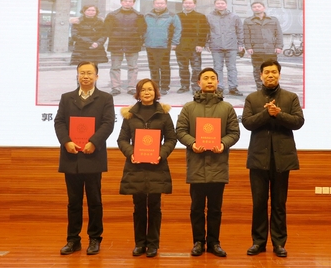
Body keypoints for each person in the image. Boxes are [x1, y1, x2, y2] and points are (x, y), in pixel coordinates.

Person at [241, 60, 304, 258]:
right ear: (260, 75)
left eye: (274, 72)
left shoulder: (290, 97)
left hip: (282, 159)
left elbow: (298, 122)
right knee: (259, 203)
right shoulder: (252, 98)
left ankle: (279, 243)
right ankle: (258, 242)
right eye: (267, 72)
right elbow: (247, 123)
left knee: (279, 203)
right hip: (258, 159)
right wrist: (266, 113)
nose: (270, 75)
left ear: (279, 74)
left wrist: (279, 114)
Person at [176, 68, 240, 257]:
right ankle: (198, 242)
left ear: (218, 82)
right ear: (199, 83)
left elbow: (234, 133)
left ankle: (214, 242)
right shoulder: (189, 108)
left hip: (218, 164)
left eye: (213, 78)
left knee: (215, 209)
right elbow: (180, 130)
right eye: (206, 78)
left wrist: (223, 143)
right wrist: (192, 143)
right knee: (196, 208)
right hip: (196, 164)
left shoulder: (227, 108)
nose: (209, 81)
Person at [54, 61, 116, 255]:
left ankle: (95, 239)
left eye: (89, 73)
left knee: (94, 201)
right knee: (74, 202)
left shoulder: (105, 98)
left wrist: (94, 142)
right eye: (82, 73)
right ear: (77, 75)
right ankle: (73, 240)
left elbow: (108, 123)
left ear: (97, 76)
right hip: (71, 156)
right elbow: (59, 122)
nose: (85, 76)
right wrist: (66, 142)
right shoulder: (67, 98)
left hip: (93, 156)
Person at [117, 79, 177, 258]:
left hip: (156, 166)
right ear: (138, 93)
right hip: (135, 166)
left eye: (150, 89)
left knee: (155, 206)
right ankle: (139, 243)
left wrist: (161, 154)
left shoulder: (163, 114)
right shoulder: (130, 115)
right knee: (139, 206)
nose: (147, 92)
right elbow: (122, 139)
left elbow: (171, 139)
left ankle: (153, 244)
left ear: (155, 92)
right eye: (143, 90)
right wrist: (131, 153)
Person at [104, 0, 147, 96]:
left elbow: (143, 30)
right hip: (116, 44)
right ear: (121, 2)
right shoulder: (112, 15)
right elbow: (106, 29)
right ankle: (115, 87)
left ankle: (131, 87)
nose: (128, 3)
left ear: (133, 3)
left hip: (133, 44)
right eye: (126, 1)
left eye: (130, 1)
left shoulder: (139, 15)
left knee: (133, 67)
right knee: (115, 67)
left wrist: (140, 42)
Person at [206, 0, 245, 97]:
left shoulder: (234, 17)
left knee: (232, 67)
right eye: (218, 3)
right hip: (215, 45)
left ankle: (233, 87)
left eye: (222, 3)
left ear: (226, 5)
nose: (220, 5)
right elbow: (206, 31)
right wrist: (206, 43)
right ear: (215, 5)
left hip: (231, 45)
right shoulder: (209, 17)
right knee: (217, 67)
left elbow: (240, 31)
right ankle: (219, 87)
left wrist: (240, 44)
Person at [144, 0, 182, 95]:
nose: (159, 5)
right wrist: (144, 40)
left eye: (162, 3)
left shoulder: (172, 16)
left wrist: (174, 42)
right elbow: (142, 29)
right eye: (157, 3)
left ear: (166, 4)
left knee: (164, 66)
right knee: (153, 67)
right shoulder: (147, 16)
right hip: (150, 45)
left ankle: (165, 87)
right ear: (153, 4)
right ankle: (155, 86)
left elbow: (178, 29)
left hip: (165, 45)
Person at [243, 1, 284, 90]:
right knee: (258, 71)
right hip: (256, 51)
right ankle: (260, 90)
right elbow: (246, 35)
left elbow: (279, 34)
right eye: (254, 7)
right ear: (252, 9)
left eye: (259, 6)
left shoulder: (273, 20)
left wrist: (279, 46)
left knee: (272, 70)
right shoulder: (248, 21)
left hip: (271, 50)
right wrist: (248, 47)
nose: (257, 8)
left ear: (264, 8)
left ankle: (273, 89)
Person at [175, 0, 210, 93]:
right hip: (181, 46)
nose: (188, 5)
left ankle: (196, 86)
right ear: (183, 4)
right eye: (186, 3)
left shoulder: (200, 16)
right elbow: (173, 30)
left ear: (194, 5)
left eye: (190, 3)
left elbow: (204, 31)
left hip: (195, 46)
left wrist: (200, 44)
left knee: (196, 68)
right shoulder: (177, 16)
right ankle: (184, 86)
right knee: (183, 67)